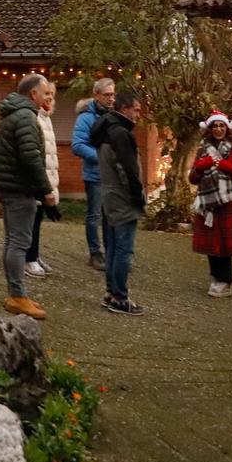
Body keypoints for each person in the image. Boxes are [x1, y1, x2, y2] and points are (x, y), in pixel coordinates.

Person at [0, 73, 54, 320]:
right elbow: (30, 157)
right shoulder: (26, 118)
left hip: (7, 187)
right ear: (33, 94)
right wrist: (46, 189)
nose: (48, 96)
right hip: (19, 189)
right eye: (45, 91)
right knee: (19, 243)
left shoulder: (9, 115)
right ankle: (17, 296)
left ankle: (16, 293)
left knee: (11, 241)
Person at [92, 89, 146, 314]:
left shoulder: (106, 130)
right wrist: (138, 197)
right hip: (122, 198)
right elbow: (127, 171)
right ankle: (120, 297)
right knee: (123, 249)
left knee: (113, 247)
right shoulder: (120, 134)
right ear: (124, 109)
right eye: (136, 110)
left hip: (108, 196)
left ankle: (111, 292)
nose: (138, 115)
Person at [188, 112, 232, 297]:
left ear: (227, 128)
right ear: (209, 129)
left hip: (227, 202)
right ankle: (216, 278)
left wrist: (228, 168)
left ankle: (225, 281)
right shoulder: (202, 149)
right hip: (207, 203)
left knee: (225, 244)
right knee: (210, 243)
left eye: (221, 126)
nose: (218, 129)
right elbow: (193, 178)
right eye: (214, 126)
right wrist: (200, 166)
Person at [70, 78, 116, 271]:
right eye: (107, 95)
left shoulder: (114, 116)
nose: (111, 99)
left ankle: (111, 254)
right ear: (96, 95)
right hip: (95, 175)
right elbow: (78, 146)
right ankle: (95, 254)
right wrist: (101, 157)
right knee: (94, 216)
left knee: (110, 217)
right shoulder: (86, 118)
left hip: (112, 176)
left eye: (113, 95)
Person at [23, 79, 62, 280]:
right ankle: (28, 258)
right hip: (38, 180)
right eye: (47, 94)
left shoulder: (46, 118)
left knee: (38, 219)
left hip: (47, 177)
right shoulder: (34, 117)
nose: (50, 98)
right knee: (32, 221)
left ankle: (35, 255)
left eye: (52, 95)